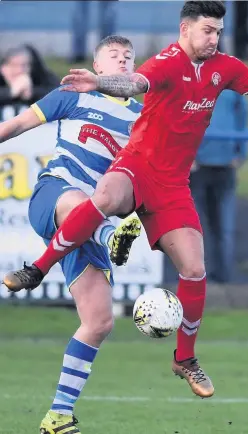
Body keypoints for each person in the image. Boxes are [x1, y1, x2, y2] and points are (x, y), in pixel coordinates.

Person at [3, 0, 248, 406]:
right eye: (207, 31)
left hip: (171, 186)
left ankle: (182, 359)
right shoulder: (160, 64)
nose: (214, 39)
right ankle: (40, 267)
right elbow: (133, 83)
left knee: (187, 273)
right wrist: (97, 83)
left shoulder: (223, 69)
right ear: (185, 30)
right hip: (110, 176)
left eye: (218, 31)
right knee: (102, 197)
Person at [1, 35, 142, 434]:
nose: (123, 60)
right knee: (84, 202)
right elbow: (14, 126)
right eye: (113, 56)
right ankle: (111, 236)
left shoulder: (142, 116)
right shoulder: (74, 96)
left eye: (129, 57)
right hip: (56, 197)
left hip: (92, 225)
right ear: (97, 67)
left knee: (98, 322)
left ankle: (58, 416)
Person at [190, 90, 248, 283]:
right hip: (198, 166)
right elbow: (179, 118)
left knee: (222, 225)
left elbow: (242, 116)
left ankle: (222, 277)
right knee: (195, 225)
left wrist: (241, 152)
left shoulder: (233, 84)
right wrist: (187, 155)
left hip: (224, 166)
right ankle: (197, 274)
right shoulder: (189, 80)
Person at [0, 45, 59, 121]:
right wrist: (10, 92)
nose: (19, 70)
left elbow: (60, 94)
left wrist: (32, 93)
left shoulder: (41, 76)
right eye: (13, 65)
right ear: (3, 68)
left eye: (24, 65)